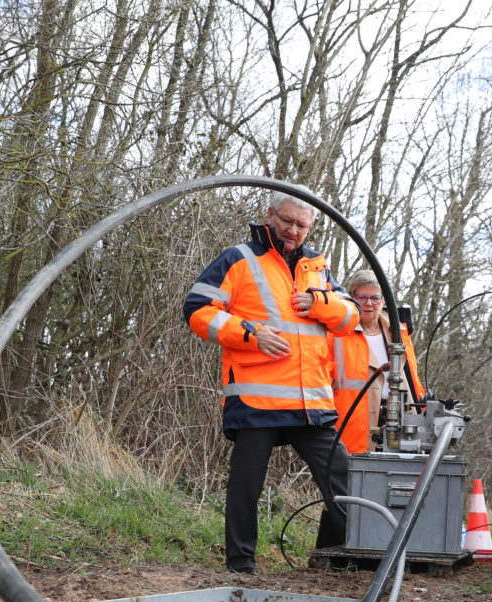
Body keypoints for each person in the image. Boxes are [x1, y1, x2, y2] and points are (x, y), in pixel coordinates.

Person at [183, 189, 360, 574]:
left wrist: (320, 304)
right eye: (287, 221)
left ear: (312, 227)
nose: (293, 231)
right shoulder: (239, 259)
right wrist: (249, 333)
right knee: (246, 485)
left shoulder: (318, 268)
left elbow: (351, 317)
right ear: (270, 215)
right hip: (256, 399)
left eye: (302, 225)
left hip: (310, 401)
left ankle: (351, 556)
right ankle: (240, 565)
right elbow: (196, 309)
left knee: (344, 477)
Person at [332, 270, 427, 454]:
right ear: (351, 298)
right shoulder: (340, 332)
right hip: (353, 424)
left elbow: (411, 379)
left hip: (398, 421)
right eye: (362, 297)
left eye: (375, 298)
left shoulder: (398, 332)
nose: (369, 303)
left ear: (383, 301)